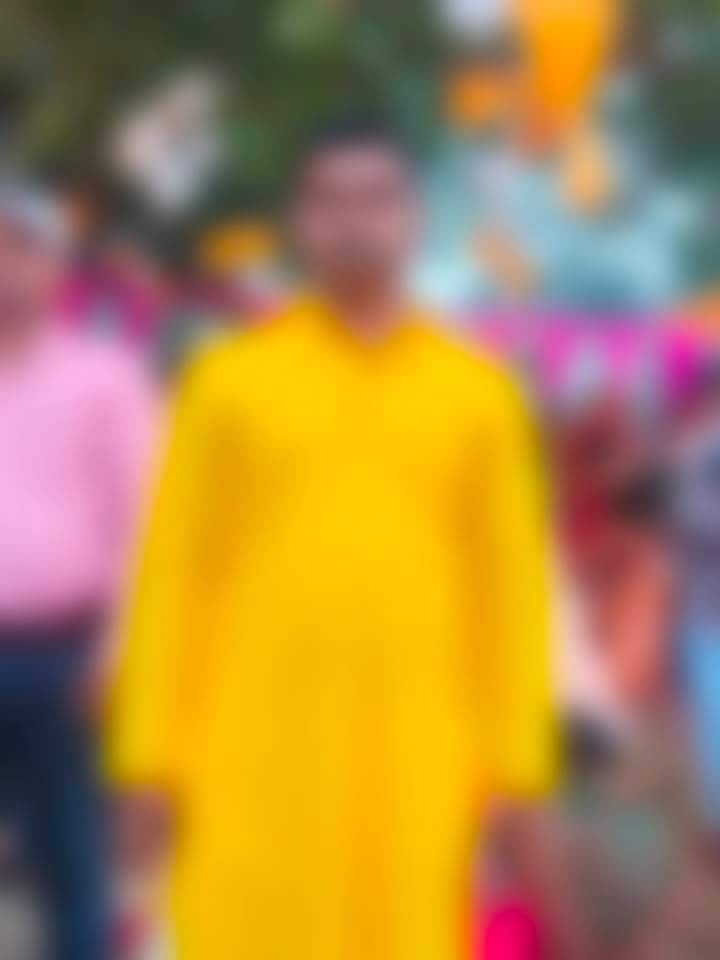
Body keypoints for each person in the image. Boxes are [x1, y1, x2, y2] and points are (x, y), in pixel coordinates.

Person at [107, 116, 558, 960]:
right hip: (250, 754)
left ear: (415, 219)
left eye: (377, 200)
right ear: (301, 222)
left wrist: (518, 769)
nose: (355, 222)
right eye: (332, 201)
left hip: (422, 763)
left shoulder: (481, 396)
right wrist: (146, 757)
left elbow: (513, 597)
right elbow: (173, 577)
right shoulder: (227, 381)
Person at [0, 182, 153, 959]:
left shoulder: (106, 379)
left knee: (71, 861)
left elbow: (145, 528)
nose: (6, 266)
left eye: (22, 247)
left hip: (68, 658)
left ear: (55, 266)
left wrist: (116, 651)